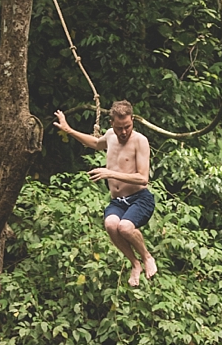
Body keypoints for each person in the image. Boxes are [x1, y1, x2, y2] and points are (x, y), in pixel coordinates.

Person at [53, 100, 157, 287]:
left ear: (132, 120)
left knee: (125, 227)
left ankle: (147, 257)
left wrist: (109, 173)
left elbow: (143, 178)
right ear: (112, 124)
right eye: (119, 128)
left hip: (139, 198)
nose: (123, 132)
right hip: (118, 200)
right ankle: (135, 264)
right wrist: (69, 130)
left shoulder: (140, 141)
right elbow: (95, 143)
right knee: (110, 225)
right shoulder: (110, 135)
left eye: (127, 126)